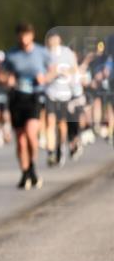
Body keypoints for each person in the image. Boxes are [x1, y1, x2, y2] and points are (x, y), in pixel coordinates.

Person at [3, 22, 52, 189]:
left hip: (34, 96)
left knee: (31, 134)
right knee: (21, 140)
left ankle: (32, 166)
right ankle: (24, 173)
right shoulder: (11, 55)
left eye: (27, 35)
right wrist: (6, 79)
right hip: (17, 98)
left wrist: (44, 78)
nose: (24, 39)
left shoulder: (41, 52)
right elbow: (0, 74)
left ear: (32, 35)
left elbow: (53, 70)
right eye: (21, 35)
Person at [43, 31, 78, 167]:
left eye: (55, 39)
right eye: (50, 40)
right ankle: (51, 152)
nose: (53, 42)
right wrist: (52, 73)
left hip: (65, 94)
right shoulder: (45, 54)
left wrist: (64, 72)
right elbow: (42, 74)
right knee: (49, 122)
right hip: (50, 93)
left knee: (62, 124)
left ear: (59, 40)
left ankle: (60, 147)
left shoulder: (67, 53)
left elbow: (75, 70)